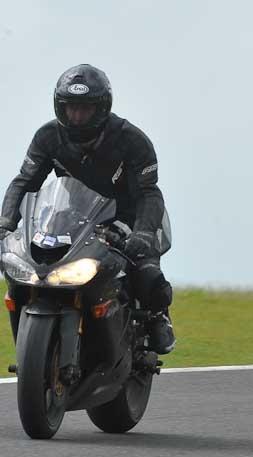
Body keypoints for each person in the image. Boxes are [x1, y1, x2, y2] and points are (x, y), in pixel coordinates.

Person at [0, 64, 175, 354]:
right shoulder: (47, 137)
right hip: (74, 217)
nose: (77, 116)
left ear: (102, 108)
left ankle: (157, 317)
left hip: (126, 219)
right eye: (71, 108)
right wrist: (5, 223)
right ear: (60, 107)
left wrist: (142, 233)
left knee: (148, 277)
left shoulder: (132, 140)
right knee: (28, 267)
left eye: (85, 108)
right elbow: (25, 183)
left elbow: (149, 193)